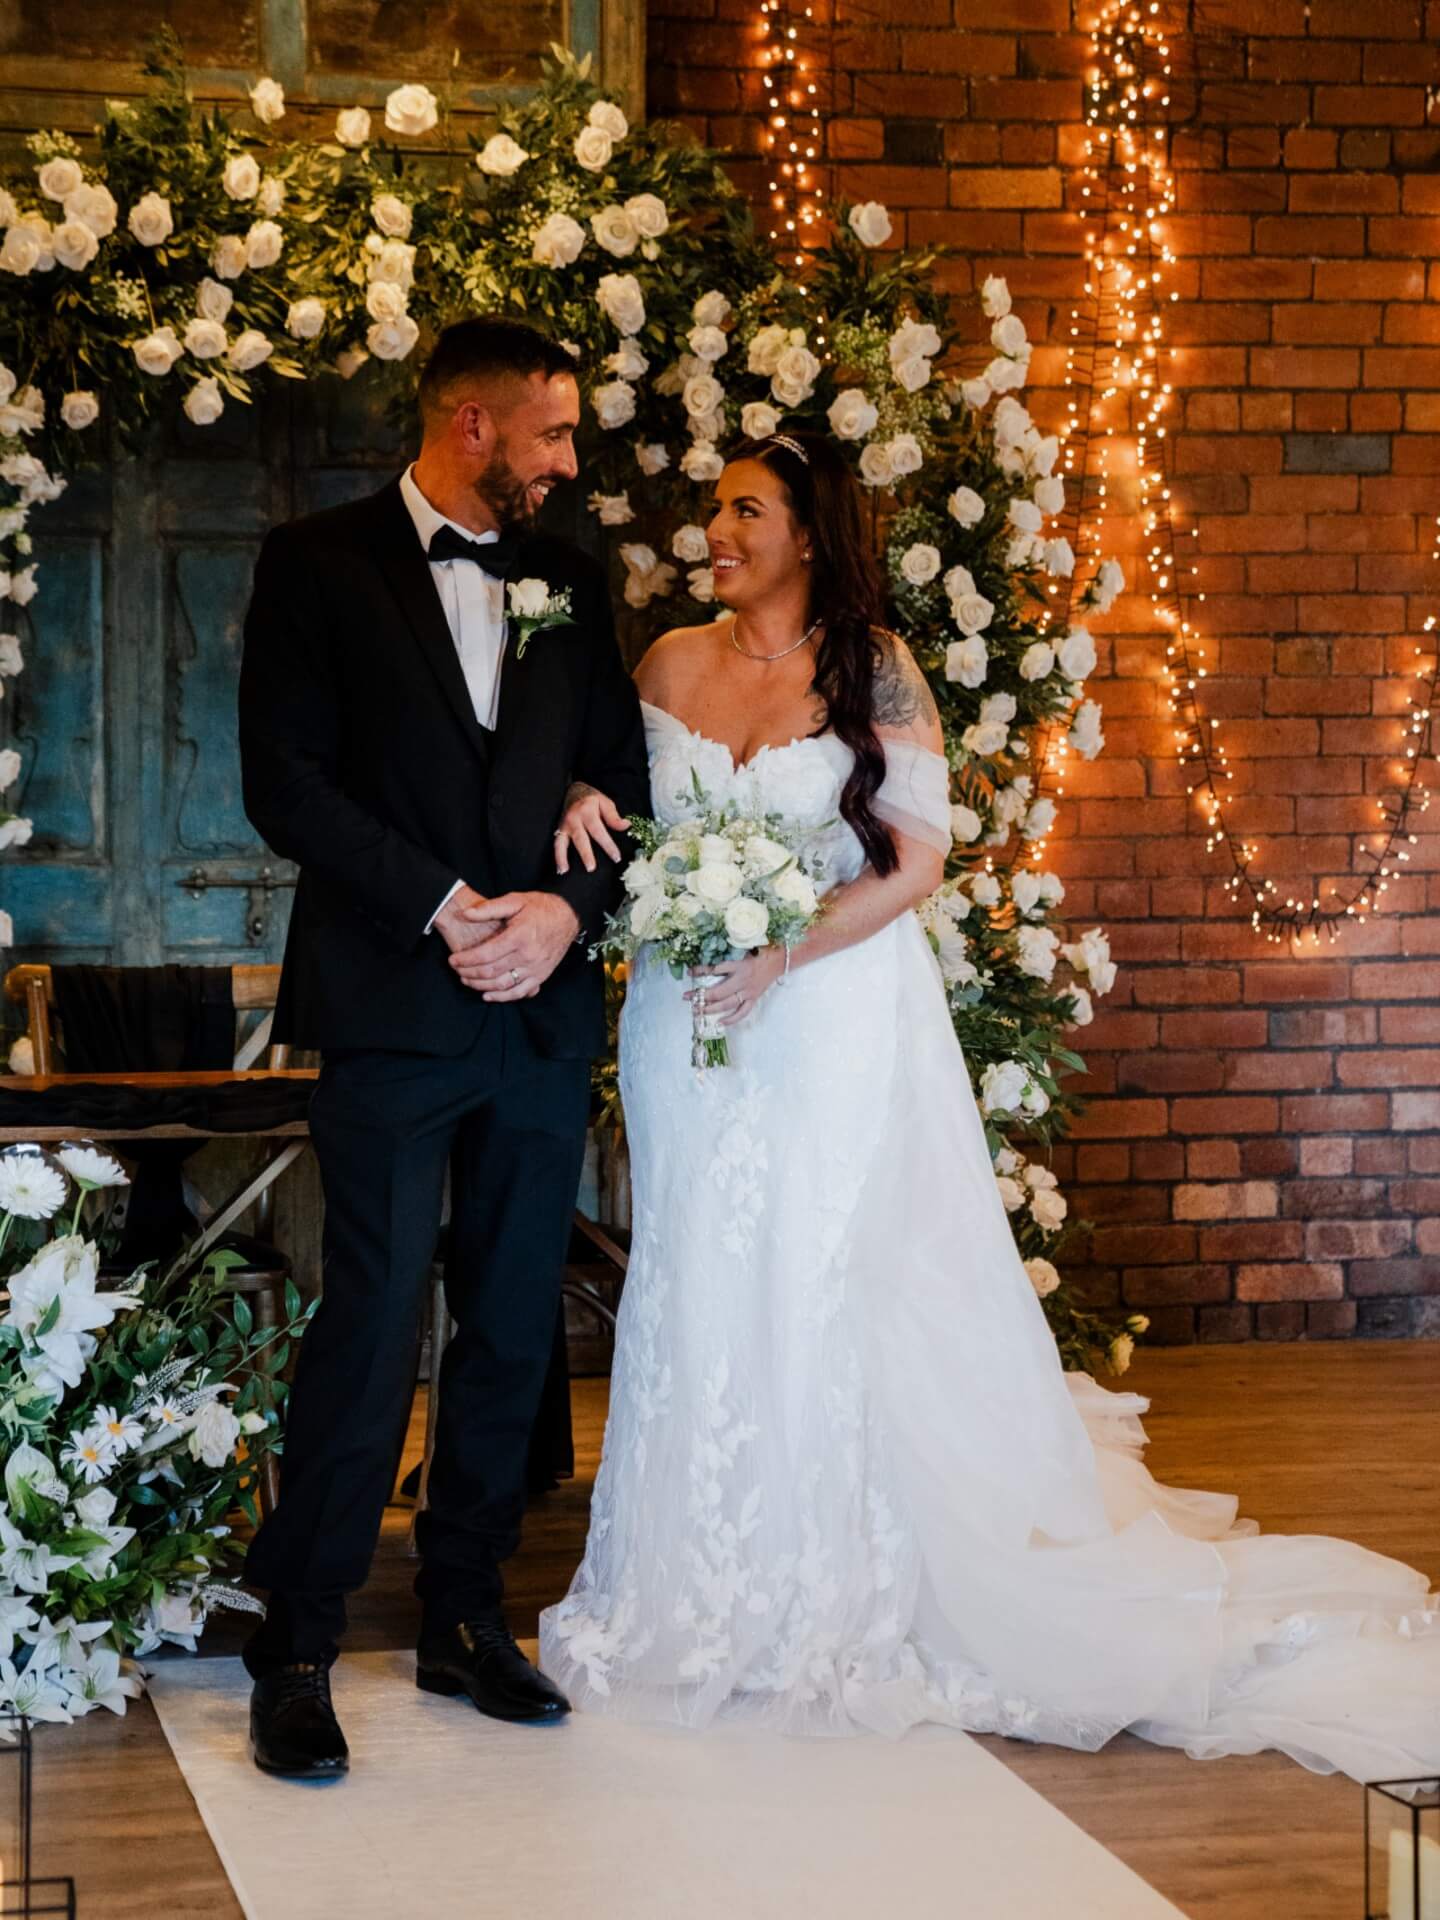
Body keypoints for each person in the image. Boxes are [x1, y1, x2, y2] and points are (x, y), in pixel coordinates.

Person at [538, 429, 1440, 1780]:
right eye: (715, 510)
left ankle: (835, 1588)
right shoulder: (665, 662)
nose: (713, 531)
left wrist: (784, 947)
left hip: (828, 1007)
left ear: (806, 530)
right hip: (685, 1022)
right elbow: (604, 778)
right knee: (701, 1271)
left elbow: (911, 863)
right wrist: (576, 792)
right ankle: (694, 1574)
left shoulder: (875, 665)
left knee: (825, 1275)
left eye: (743, 510)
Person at [237, 317, 650, 1777]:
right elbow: (281, 784)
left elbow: (625, 776)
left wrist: (562, 909)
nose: (567, 461)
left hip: (536, 1011)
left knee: (515, 1324)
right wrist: (444, 903)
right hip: (394, 1009)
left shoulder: (569, 578)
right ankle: (294, 1639)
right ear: (474, 428)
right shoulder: (317, 565)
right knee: (371, 1320)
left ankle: (467, 1615)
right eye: (552, 434)